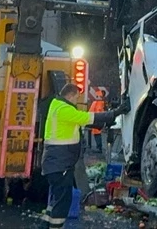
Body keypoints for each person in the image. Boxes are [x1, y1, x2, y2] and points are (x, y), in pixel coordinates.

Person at [41, 82, 127, 228]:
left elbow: (81, 123)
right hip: (60, 163)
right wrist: (115, 113)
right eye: (77, 97)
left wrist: (104, 122)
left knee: (56, 199)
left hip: (55, 163)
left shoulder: (56, 105)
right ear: (71, 95)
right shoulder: (64, 109)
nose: (77, 100)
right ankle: (55, 227)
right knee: (63, 201)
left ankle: (44, 226)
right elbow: (85, 118)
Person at [87, 87, 108, 153]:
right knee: (96, 133)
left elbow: (98, 110)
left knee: (97, 133)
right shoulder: (99, 101)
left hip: (95, 119)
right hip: (94, 118)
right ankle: (98, 147)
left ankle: (99, 148)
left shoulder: (98, 101)